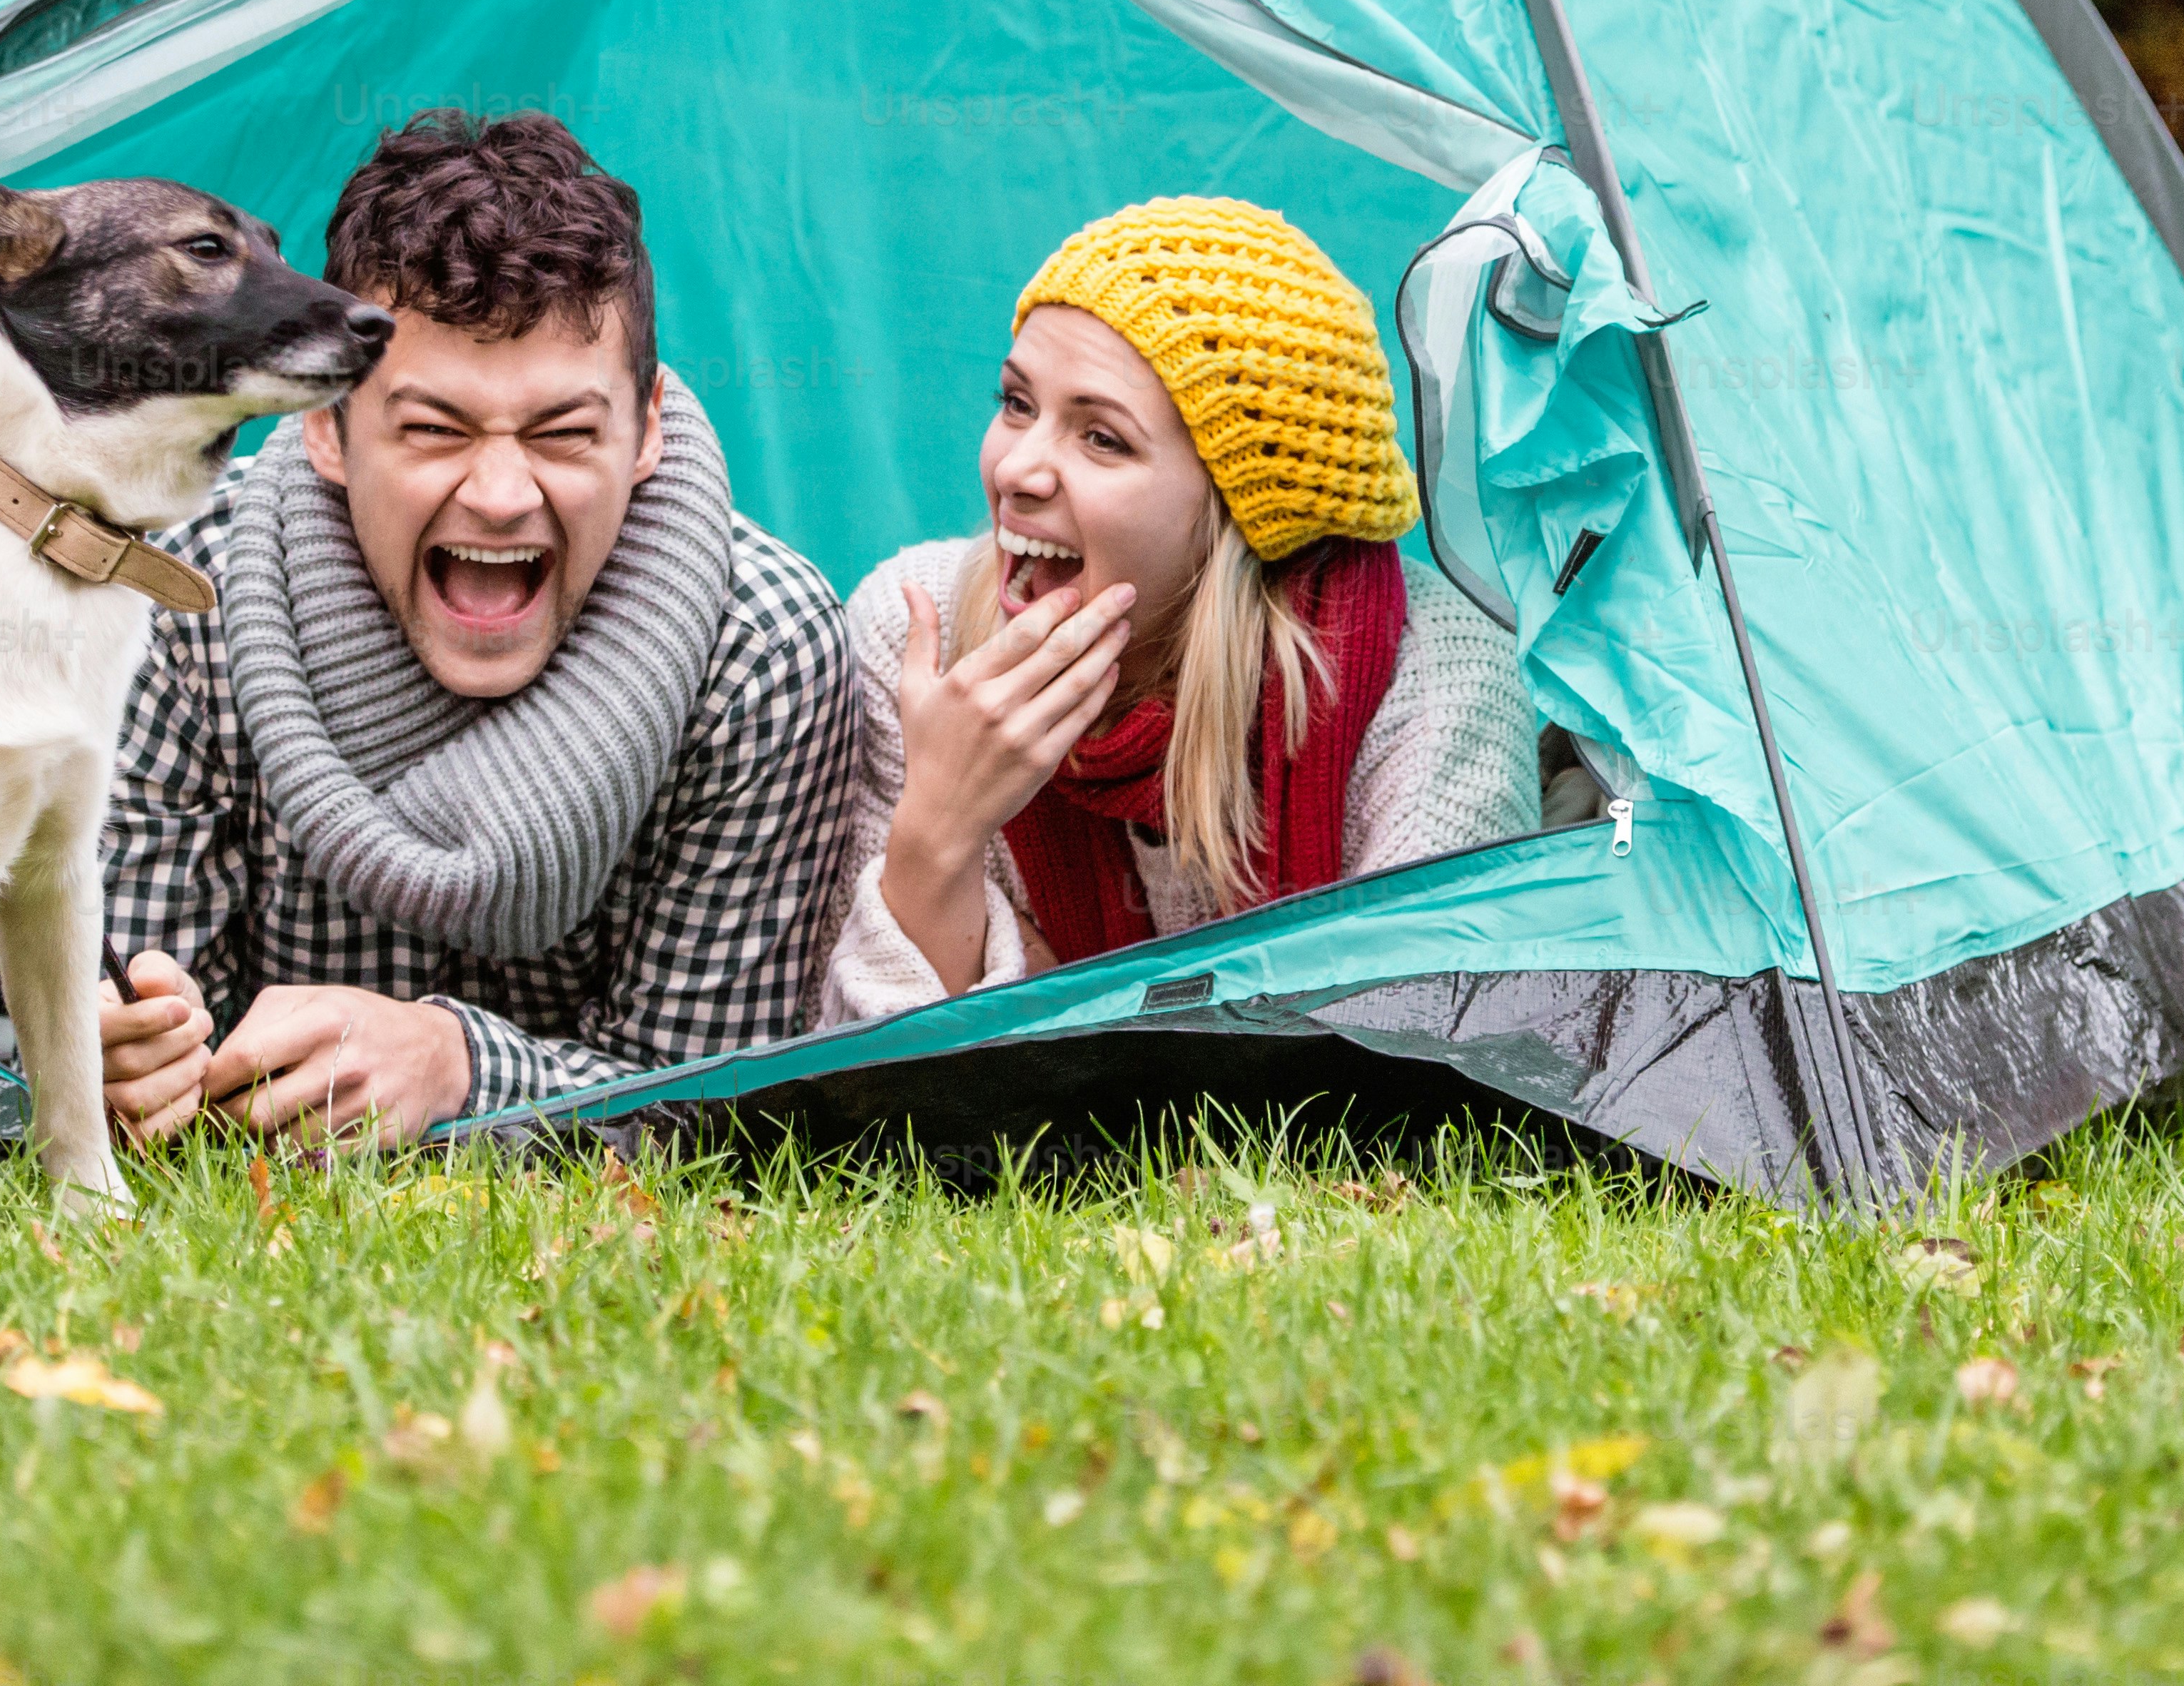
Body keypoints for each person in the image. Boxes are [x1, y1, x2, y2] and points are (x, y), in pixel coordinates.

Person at [88, 111, 860, 1145]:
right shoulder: (172, 603)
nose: (500, 496)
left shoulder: (761, 652)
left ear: (649, 434)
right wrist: (137, 1069)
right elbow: (158, 1046)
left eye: (564, 432)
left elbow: (717, 1108)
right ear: (325, 424)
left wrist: (460, 1066)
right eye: (435, 429)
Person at [827, 196, 1538, 1017]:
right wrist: (935, 838)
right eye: (1017, 403)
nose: (1018, 469)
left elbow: (1431, 1051)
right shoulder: (920, 635)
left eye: (1102, 438)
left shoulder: (1432, 682)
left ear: (1240, 512)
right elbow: (864, 1090)